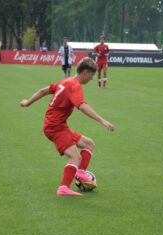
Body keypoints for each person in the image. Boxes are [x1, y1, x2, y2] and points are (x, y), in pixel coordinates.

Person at [20, 57, 115, 196]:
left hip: (58, 125)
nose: (91, 79)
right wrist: (102, 121)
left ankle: (80, 174)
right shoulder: (74, 85)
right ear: (86, 72)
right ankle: (63, 188)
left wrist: (27, 102)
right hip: (55, 127)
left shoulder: (65, 81)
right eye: (92, 75)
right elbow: (82, 106)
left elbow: (43, 91)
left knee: (89, 144)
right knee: (75, 157)